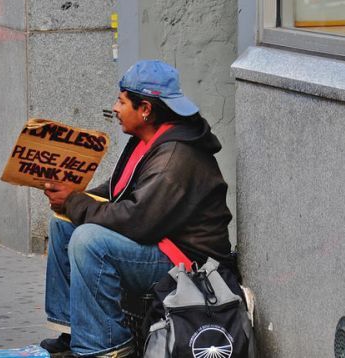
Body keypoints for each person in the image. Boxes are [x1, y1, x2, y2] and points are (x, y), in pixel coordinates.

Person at [40, 60, 234, 357]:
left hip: (188, 262)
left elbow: (138, 219)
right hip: (160, 241)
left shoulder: (175, 157)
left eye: (121, 101)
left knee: (88, 241)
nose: (115, 108)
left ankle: (105, 347)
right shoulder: (149, 139)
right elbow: (118, 190)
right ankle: (73, 330)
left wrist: (73, 201)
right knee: (64, 224)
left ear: (145, 108)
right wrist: (73, 199)